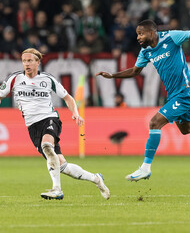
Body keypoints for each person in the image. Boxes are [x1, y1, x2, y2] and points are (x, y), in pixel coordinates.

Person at [96, 14, 190, 181]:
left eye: (141, 33)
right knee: (186, 129)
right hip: (173, 95)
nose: (138, 37)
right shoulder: (145, 51)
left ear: (152, 32)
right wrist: (113, 76)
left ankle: (145, 168)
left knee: (154, 123)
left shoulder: (171, 37)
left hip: (183, 92)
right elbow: (134, 71)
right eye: (137, 34)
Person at [0, 48, 110, 200]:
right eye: (24, 61)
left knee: (47, 146)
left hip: (50, 118)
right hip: (32, 126)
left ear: (38, 62)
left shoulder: (47, 79)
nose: (27, 64)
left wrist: (75, 114)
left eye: (30, 60)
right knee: (62, 165)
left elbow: (68, 98)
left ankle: (57, 189)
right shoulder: (15, 79)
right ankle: (96, 178)